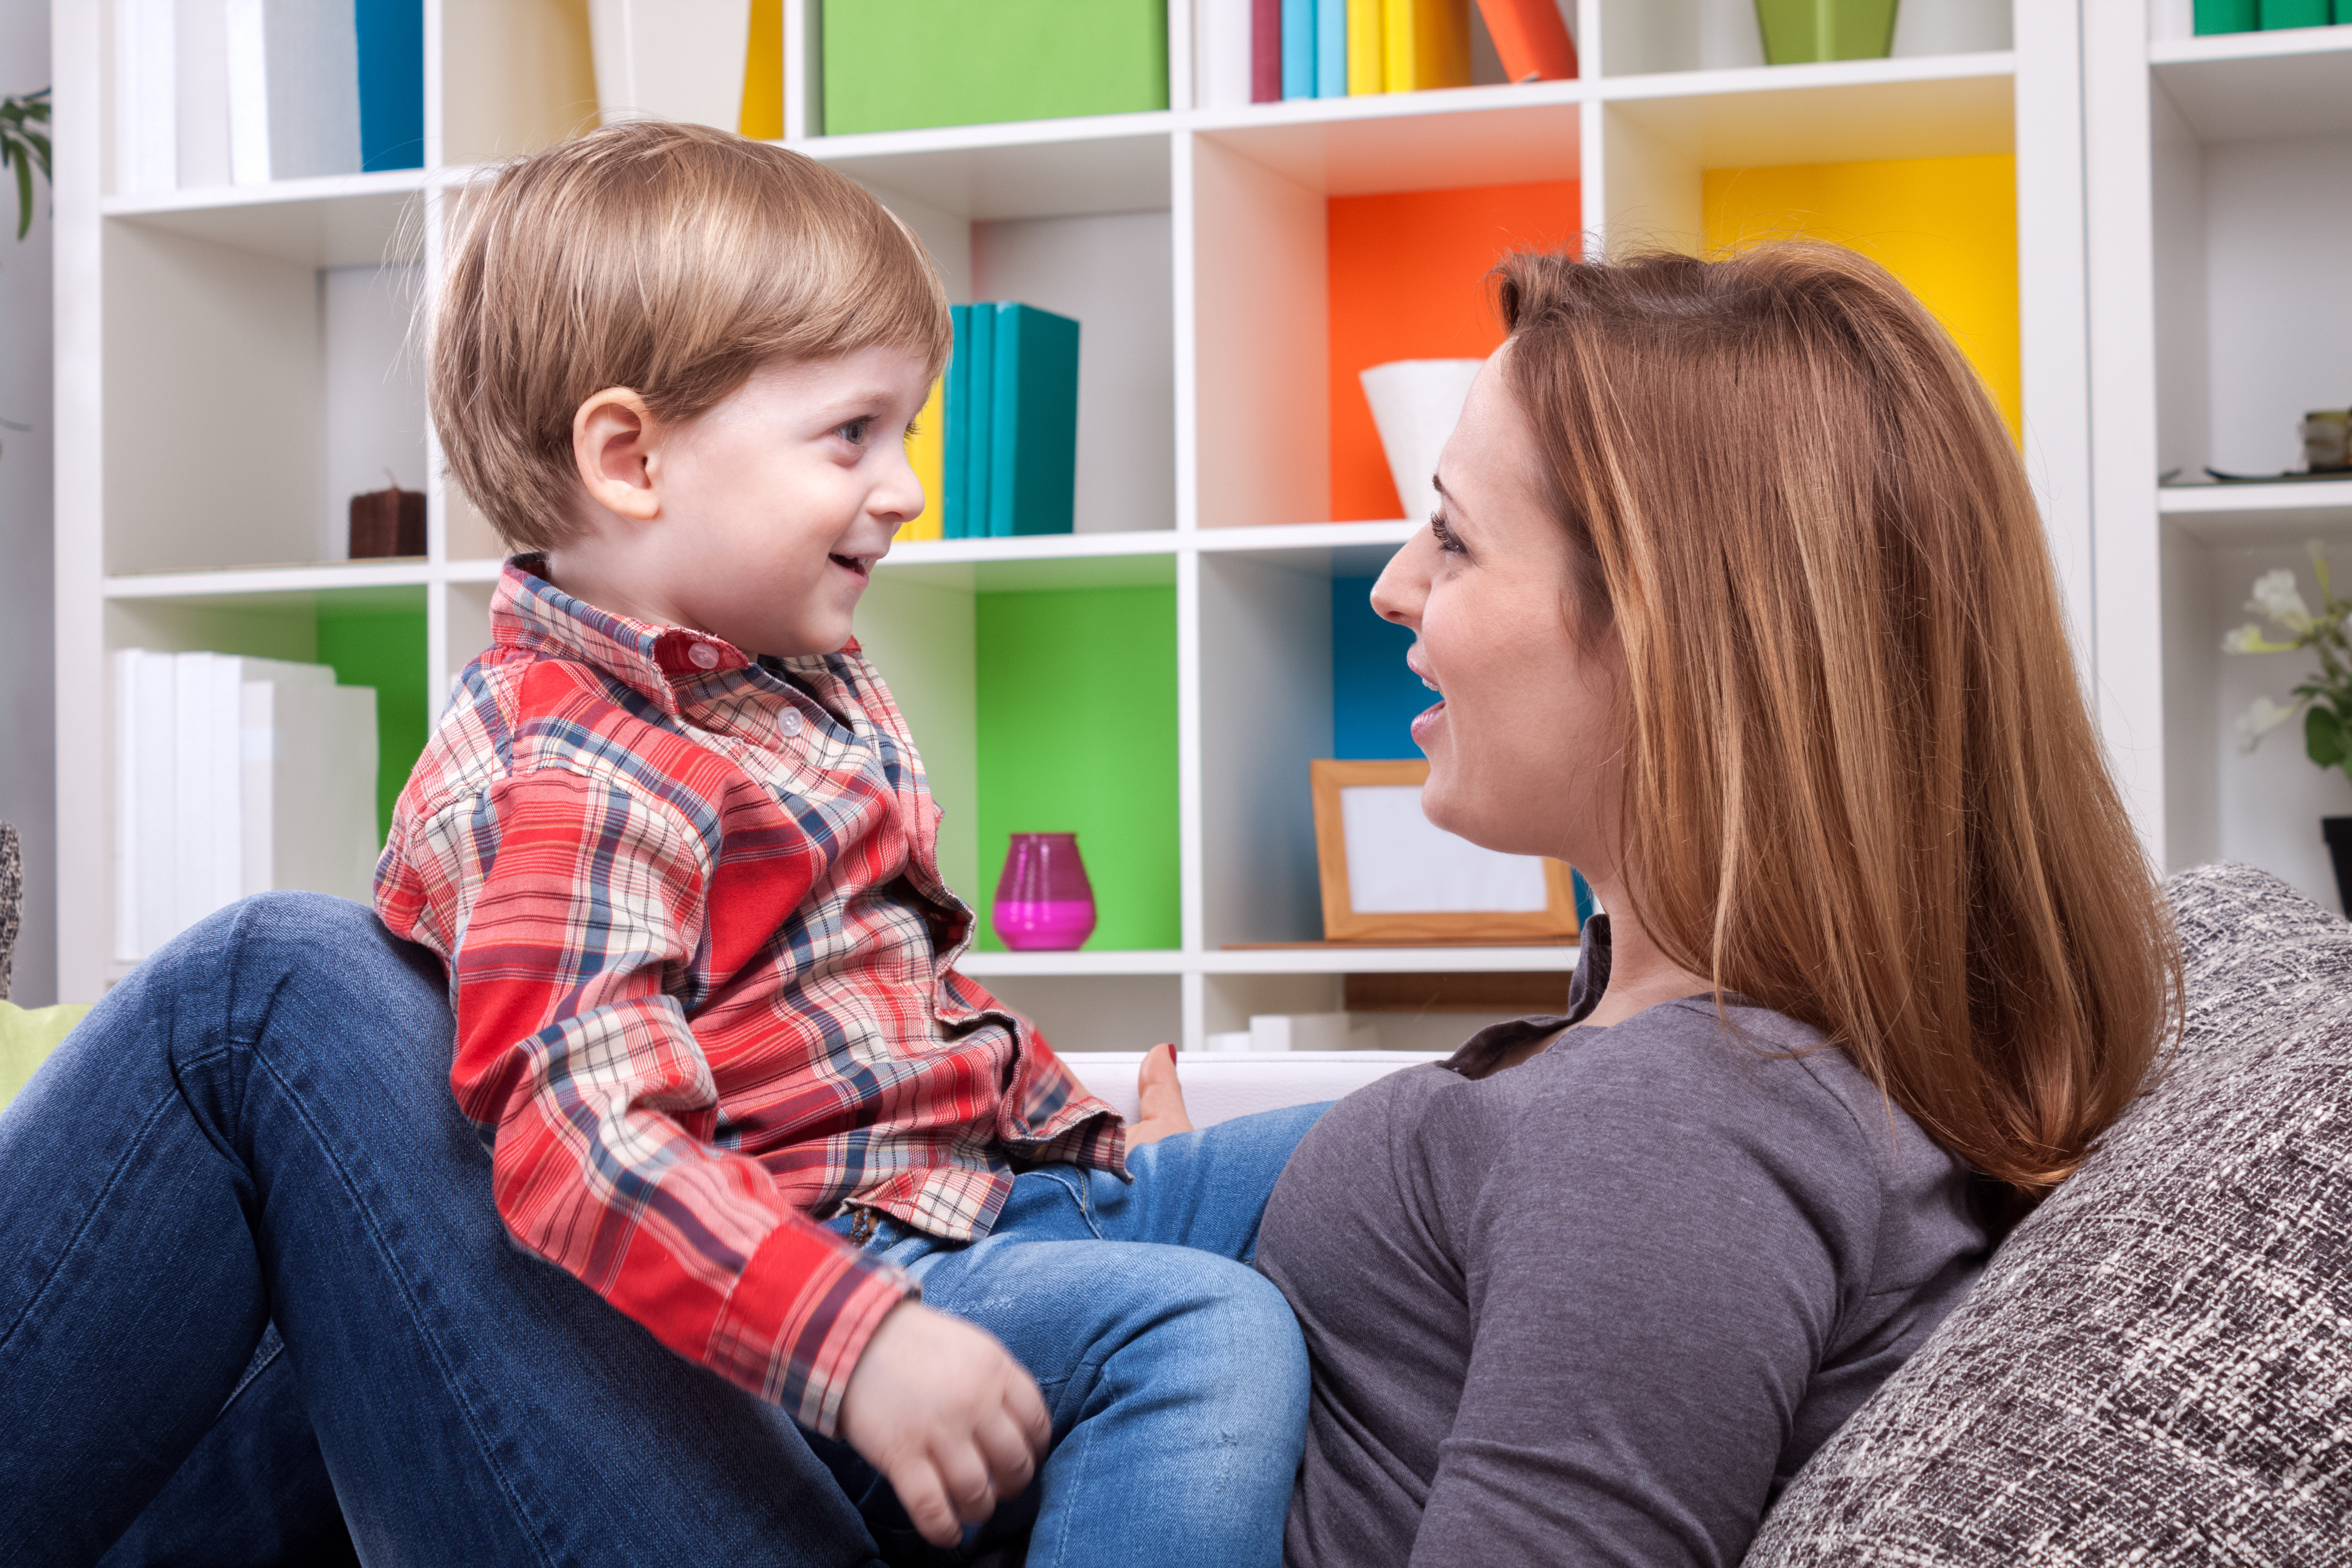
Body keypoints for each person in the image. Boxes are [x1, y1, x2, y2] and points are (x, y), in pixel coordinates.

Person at [0, 121, 1320, 1568]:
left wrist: (1099, 1132)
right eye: (851, 436)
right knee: (1202, 1332)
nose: (905, 487)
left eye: (908, 433)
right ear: (629, 456)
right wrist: (856, 1341)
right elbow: (586, 1135)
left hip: (966, 1205)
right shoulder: (573, 762)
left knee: (1378, 1152)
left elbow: (903, 1015)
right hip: (820, 1294)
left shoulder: (790, 686)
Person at [1245, 245, 2181, 1566]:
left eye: (1453, 536)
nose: (1396, 584)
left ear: (1666, 639)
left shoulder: (1670, 1131)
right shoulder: (1703, 1068)